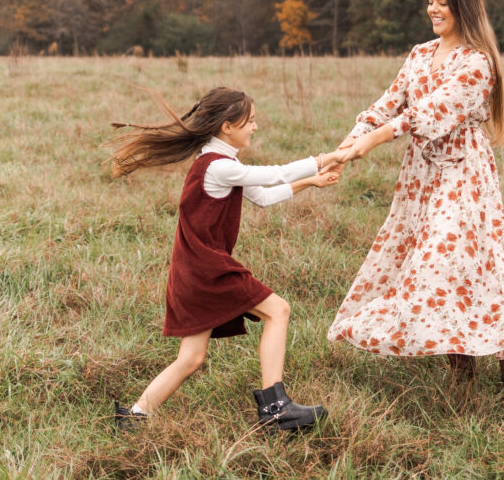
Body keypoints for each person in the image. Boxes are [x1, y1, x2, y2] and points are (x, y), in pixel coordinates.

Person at [327, 0, 504, 383]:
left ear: (462, 7)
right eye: (430, 1)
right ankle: (461, 355)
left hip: (463, 171)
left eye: (442, 2)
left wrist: (375, 140)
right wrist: (344, 150)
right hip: (421, 175)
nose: (433, 9)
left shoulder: (477, 62)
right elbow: (386, 105)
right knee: (444, 263)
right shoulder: (418, 54)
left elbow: (431, 112)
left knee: (442, 261)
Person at [108, 86, 349, 432]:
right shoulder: (217, 167)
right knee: (278, 310)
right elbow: (274, 174)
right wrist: (324, 157)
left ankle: (134, 417)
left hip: (192, 272)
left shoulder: (221, 161)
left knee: (190, 358)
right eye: (249, 121)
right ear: (227, 126)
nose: (255, 127)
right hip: (208, 271)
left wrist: (311, 182)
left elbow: (263, 197)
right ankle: (276, 409)